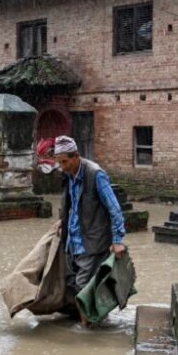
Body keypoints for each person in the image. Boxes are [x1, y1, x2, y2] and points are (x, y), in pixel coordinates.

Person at [53, 136, 126, 325]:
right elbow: (72, 205)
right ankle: (94, 319)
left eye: (65, 161)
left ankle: (86, 332)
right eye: (59, 162)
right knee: (71, 284)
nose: (62, 166)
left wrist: (117, 241)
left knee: (83, 287)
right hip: (73, 242)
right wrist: (63, 222)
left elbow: (115, 209)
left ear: (76, 156)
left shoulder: (95, 174)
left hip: (92, 242)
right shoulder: (69, 175)